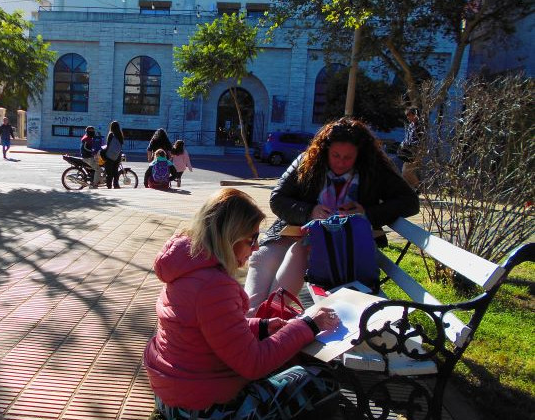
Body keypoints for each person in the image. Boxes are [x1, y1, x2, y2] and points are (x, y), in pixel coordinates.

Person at [143, 188, 341, 419]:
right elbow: (253, 364)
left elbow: (209, 329)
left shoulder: (188, 265)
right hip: (201, 408)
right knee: (321, 378)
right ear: (230, 237)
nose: (256, 247)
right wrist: (308, 325)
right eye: (252, 238)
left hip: (176, 394)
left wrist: (262, 326)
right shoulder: (214, 286)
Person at [243, 117, 420, 315]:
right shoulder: (308, 161)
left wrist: (366, 212)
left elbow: (410, 202)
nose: (341, 162)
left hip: (342, 244)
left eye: (348, 157)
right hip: (295, 231)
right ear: (324, 150)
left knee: (298, 253)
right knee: (263, 258)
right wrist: (310, 211)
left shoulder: (375, 169)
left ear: (360, 154)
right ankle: (249, 321)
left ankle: (266, 321)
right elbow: (277, 198)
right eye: (335, 155)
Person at [399, 107, 422, 190]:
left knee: (406, 171)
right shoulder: (410, 126)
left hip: (416, 152)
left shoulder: (419, 126)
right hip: (409, 151)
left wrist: (411, 146)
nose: (408, 117)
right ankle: (405, 190)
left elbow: (420, 140)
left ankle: (419, 188)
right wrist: (403, 144)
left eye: (409, 115)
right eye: (407, 115)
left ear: (415, 115)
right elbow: (407, 138)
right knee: (404, 172)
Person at [102, 120, 124, 189]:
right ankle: (116, 185)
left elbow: (108, 145)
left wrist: (103, 151)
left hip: (109, 156)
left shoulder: (111, 134)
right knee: (115, 172)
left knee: (109, 173)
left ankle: (109, 186)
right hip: (117, 155)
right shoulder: (120, 135)